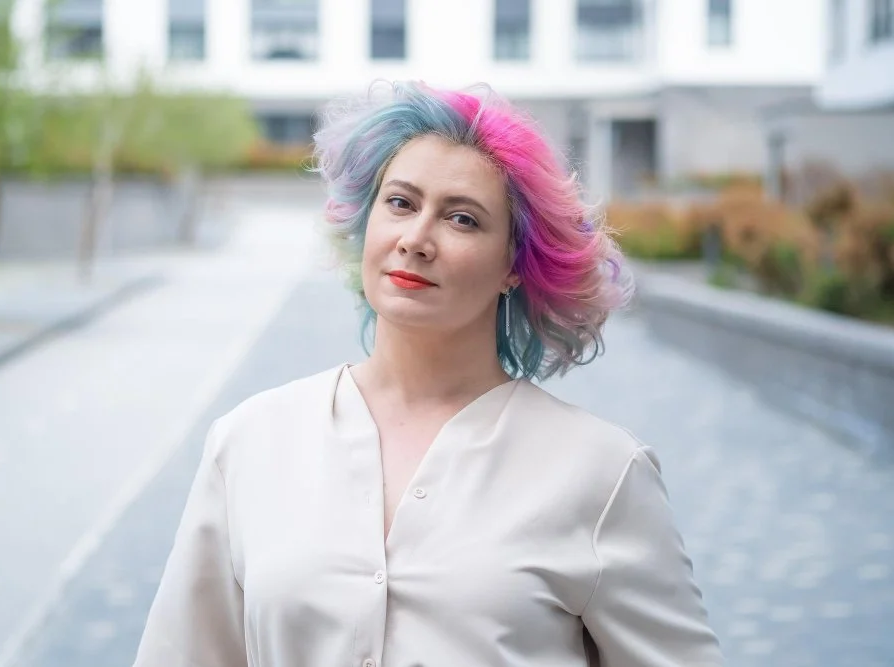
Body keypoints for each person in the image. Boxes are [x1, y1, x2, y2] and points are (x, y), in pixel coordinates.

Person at [132, 81, 723, 667]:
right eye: (400, 203)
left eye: (462, 220)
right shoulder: (250, 441)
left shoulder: (601, 473)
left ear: (514, 266)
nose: (416, 240)